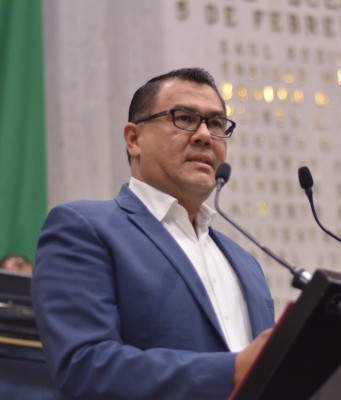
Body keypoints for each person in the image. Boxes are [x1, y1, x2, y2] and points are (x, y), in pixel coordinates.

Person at [31, 68, 275, 400]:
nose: (205, 135)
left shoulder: (246, 263)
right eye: (184, 118)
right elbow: (85, 367)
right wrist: (229, 371)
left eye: (217, 124)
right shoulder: (84, 229)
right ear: (134, 139)